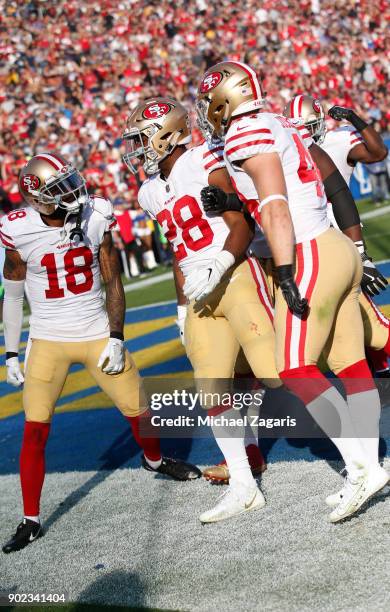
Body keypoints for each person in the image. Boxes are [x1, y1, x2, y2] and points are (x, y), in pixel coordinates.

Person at [196, 60, 389, 523]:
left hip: (306, 249)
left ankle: (362, 467)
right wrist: (232, 202)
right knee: (348, 360)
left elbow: (277, 205)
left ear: (226, 98)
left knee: (296, 368)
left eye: (209, 102)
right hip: (334, 244)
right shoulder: (277, 119)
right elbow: (293, 185)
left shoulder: (245, 133)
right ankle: (367, 463)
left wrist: (284, 271)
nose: (207, 111)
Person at [1, 152, 201, 554]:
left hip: (95, 332)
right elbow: (14, 295)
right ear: (38, 196)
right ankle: (31, 517)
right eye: (59, 188)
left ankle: (156, 461)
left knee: (139, 410)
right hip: (47, 340)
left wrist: (115, 335)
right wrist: (10, 352)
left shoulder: (96, 215)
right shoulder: (17, 230)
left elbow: (112, 278)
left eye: (70, 180)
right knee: (35, 429)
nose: (73, 191)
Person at [123, 97, 278, 523]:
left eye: (141, 138)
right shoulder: (150, 192)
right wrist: (179, 309)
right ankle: (245, 486)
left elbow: (240, 220)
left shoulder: (204, 158)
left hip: (236, 272)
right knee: (212, 390)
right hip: (199, 293)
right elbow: (178, 251)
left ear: (166, 134)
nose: (136, 147)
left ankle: (360, 460)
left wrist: (220, 262)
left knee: (280, 370)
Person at [283, 95, 390, 381]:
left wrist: (354, 118)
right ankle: (376, 368)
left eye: (307, 125)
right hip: (309, 243)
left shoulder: (337, 141)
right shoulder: (286, 149)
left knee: (364, 314)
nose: (303, 131)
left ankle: (378, 367)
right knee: (351, 315)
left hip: (341, 238)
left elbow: (378, 153)